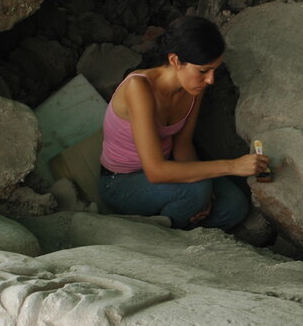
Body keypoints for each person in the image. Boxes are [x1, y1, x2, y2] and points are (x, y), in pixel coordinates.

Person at [98, 15, 269, 231]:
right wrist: (232, 166)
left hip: (168, 170)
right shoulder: (139, 88)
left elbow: (183, 146)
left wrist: (206, 196)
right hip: (121, 182)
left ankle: (183, 219)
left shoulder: (192, 89)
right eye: (203, 71)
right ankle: (169, 239)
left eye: (214, 70)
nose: (210, 80)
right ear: (175, 61)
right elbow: (156, 172)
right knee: (196, 190)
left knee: (234, 205)